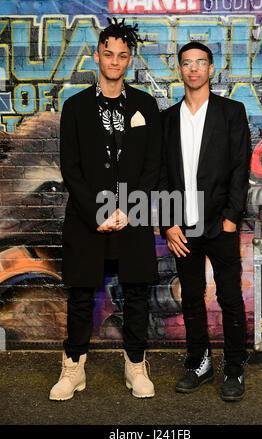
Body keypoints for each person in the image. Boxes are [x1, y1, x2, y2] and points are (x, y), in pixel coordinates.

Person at [49, 18, 161, 401]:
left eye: (122, 55)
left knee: (136, 294)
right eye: (108, 54)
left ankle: (135, 367)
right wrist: (96, 212)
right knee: (81, 295)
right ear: (96, 56)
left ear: (129, 61)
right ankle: (73, 369)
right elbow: (71, 168)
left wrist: (129, 209)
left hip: (132, 217)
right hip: (87, 219)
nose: (114, 61)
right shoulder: (75, 106)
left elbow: (153, 165)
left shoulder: (146, 104)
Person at [160, 41, 251, 401]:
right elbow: (161, 175)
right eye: (187, 63)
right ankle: (199, 362)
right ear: (179, 70)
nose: (193, 69)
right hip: (183, 228)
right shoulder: (167, 119)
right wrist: (168, 222)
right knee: (192, 298)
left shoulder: (231, 112)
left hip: (220, 225)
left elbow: (240, 169)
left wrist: (231, 219)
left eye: (200, 63)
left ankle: (234, 368)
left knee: (230, 298)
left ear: (211, 69)